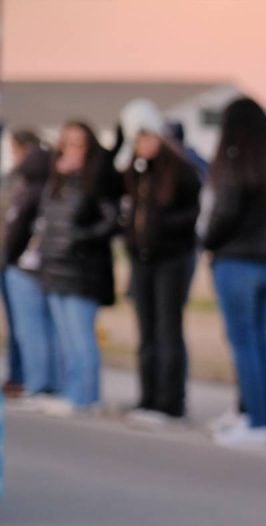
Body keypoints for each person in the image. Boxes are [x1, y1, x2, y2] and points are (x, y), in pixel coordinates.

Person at [203, 97, 266, 449]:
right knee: (258, 342)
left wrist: (209, 242)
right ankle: (252, 414)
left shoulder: (234, 161)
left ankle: (256, 425)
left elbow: (223, 214)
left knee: (243, 343)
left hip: (237, 261)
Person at [119, 99, 202, 424]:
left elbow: (191, 215)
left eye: (148, 137)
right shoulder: (136, 171)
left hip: (172, 258)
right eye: (138, 139)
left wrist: (160, 226)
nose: (144, 145)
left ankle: (171, 402)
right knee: (146, 331)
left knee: (168, 329)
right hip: (142, 259)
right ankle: (148, 397)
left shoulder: (181, 171)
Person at [37, 121, 123, 416]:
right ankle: (71, 390)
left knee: (81, 335)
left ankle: (85, 396)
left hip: (83, 268)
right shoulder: (56, 180)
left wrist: (79, 238)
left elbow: (110, 221)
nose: (71, 149)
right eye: (67, 142)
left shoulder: (98, 178)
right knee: (64, 337)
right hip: (54, 266)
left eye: (78, 143)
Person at [3, 130, 59, 403]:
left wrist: (9, 256)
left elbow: (18, 230)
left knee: (29, 329)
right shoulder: (23, 186)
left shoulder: (34, 191)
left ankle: (34, 381)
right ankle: (28, 379)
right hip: (18, 264)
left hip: (24, 266)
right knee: (25, 329)